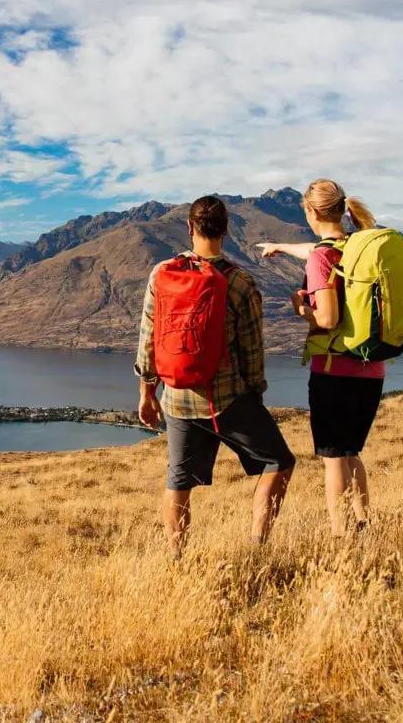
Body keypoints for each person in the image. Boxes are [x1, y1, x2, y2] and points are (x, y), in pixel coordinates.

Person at [136, 195, 295, 557]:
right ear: (227, 230)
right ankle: (257, 545)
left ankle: (177, 558)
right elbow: (253, 350)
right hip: (226, 400)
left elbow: (149, 338)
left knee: (178, 481)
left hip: (175, 396)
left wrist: (147, 392)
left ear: (190, 228)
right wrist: (254, 393)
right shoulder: (239, 281)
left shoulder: (161, 274)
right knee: (279, 461)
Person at [256, 179, 384, 537]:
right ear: (343, 210)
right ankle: (363, 524)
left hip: (334, 370)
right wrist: (280, 247)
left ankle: (340, 536)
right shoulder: (357, 246)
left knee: (332, 457)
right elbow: (317, 248)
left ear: (310, 212)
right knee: (351, 451)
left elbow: (327, 318)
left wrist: (301, 309)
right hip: (371, 369)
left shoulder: (321, 258)